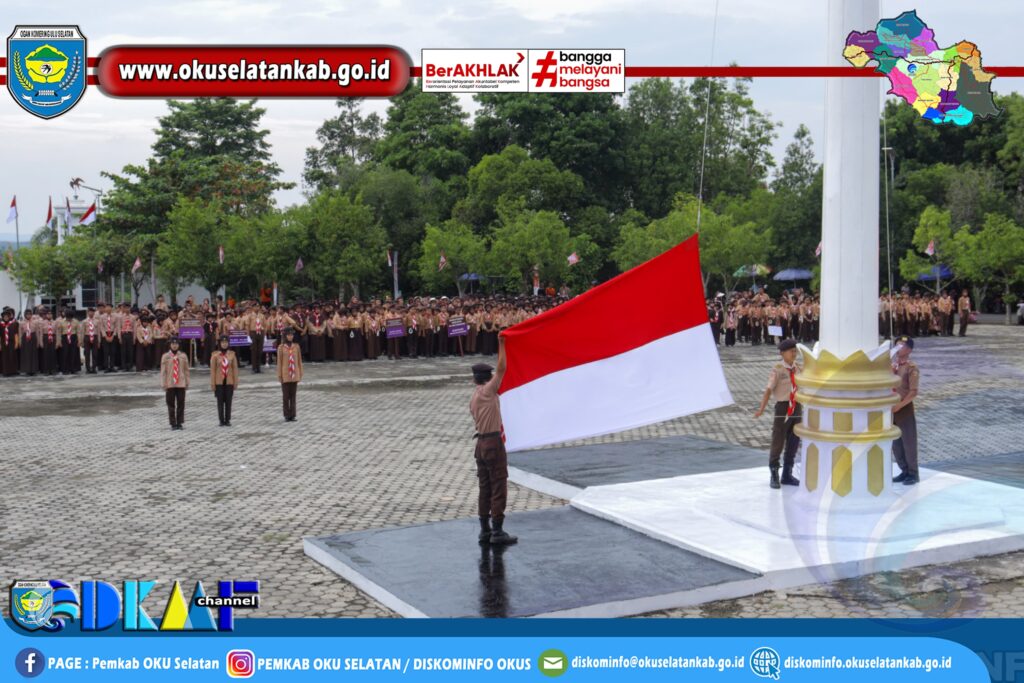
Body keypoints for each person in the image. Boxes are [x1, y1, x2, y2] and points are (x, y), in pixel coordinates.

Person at [470, 336, 517, 546]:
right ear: (488, 379)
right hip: (492, 444)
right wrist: (502, 344)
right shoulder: (488, 392)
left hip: (480, 445)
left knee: (485, 487)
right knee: (498, 486)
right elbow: (502, 369)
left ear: (474, 380)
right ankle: (497, 531)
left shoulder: (474, 397)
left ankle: (484, 530)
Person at [754, 338, 802, 489]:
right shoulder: (778, 369)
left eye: (795, 351)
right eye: (791, 351)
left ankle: (787, 474)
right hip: (783, 408)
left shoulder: (798, 368)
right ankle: (774, 474)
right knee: (778, 441)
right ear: (782, 353)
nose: (794, 354)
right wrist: (761, 409)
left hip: (797, 407)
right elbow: (769, 389)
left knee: (794, 441)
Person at [891, 335, 920, 485]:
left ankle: (913, 473)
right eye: (896, 345)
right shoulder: (892, 366)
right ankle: (904, 470)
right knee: (896, 444)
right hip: (891, 408)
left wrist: (900, 405)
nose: (898, 348)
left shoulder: (911, 367)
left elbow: (913, 392)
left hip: (904, 408)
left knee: (908, 442)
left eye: (901, 345)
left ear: (909, 350)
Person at [160, 337, 190, 430]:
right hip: (170, 383)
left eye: (176, 344)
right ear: (170, 345)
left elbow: (186, 370)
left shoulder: (183, 356)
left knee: (181, 404)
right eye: (173, 344)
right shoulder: (165, 356)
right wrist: (163, 383)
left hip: (181, 383)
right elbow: (163, 372)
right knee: (171, 404)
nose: (174, 345)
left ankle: (179, 422)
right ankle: (173, 423)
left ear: (178, 345)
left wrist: (187, 382)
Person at [209, 335, 239, 426]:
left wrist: (235, 382)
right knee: (220, 402)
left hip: (229, 382)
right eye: (222, 342)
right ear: (220, 343)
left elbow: (235, 369)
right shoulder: (215, 355)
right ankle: (221, 420)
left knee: (228, 402)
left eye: (226, 342)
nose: (224, 344)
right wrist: (213, 383)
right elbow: (213, 371)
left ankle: (228, 420)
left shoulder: (232, 355)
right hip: (219, 383)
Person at [277, 327, 303, 422]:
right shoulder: (281, 348)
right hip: (285, 374)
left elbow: (299, 360)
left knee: (293, 396)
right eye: (288, 335)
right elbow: (279, 362)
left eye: (292, 335)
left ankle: (292, 414)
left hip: (294, 374)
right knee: (286, 396)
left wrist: (300, 372)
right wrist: (279, 375)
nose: (290, 337)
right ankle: (286, 415)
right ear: (285, 336)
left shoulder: (296, 347)